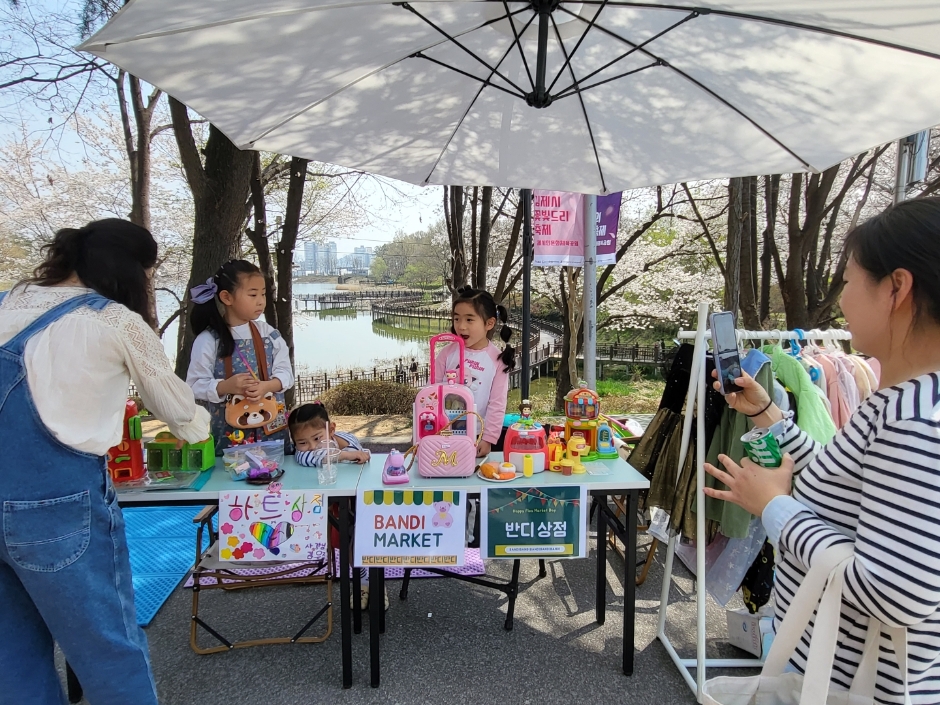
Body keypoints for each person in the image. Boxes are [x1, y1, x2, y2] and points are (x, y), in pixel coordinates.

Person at [703, 197, 940, 704]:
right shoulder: (905, 400)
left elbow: (899, 592)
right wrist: (768, 413)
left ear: (896, 288)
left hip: (859, 685)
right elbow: (850, 483)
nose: (842, 301)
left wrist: (774, 508)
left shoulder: (914, 420)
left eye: (850, 281)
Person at [0, 219, 210, 704]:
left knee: (13, 658)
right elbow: (183, 416)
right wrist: (205, 427)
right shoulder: (112, 320)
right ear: (130, 269)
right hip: (55, 507)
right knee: (107, 649)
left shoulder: (10, 301)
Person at [186, 259, 294, 452]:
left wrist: (267, 386)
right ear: (227, 298)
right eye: (252, 294)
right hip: (231, 441)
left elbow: (286, 373)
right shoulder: (209, 340)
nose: (261, 301)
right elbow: (193, 385)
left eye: (263, 294)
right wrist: (225, 387)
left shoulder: (269, 334)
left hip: (273, 437)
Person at [288, 402, 383, 608]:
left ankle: (375, 584)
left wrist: (350, 453)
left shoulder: (348, 439)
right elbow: (319, 456)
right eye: (302, 442)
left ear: (331, 429)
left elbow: (359, 455)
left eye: (317, 438)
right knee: (350, 539)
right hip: (333, 507)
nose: (311, 446)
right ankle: (362, 584)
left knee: (368, 536)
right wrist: (347, 456)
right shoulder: (303, 455)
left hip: (362, 502)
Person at [434, 286, 515, 457]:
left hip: (476, 435)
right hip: (443, 432)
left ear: (489, 323)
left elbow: (497, 404)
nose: (461, 326)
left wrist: (488, 438)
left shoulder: (497, 360)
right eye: (456, 319)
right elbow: (431, 392)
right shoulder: (447, 353)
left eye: (469, 320)